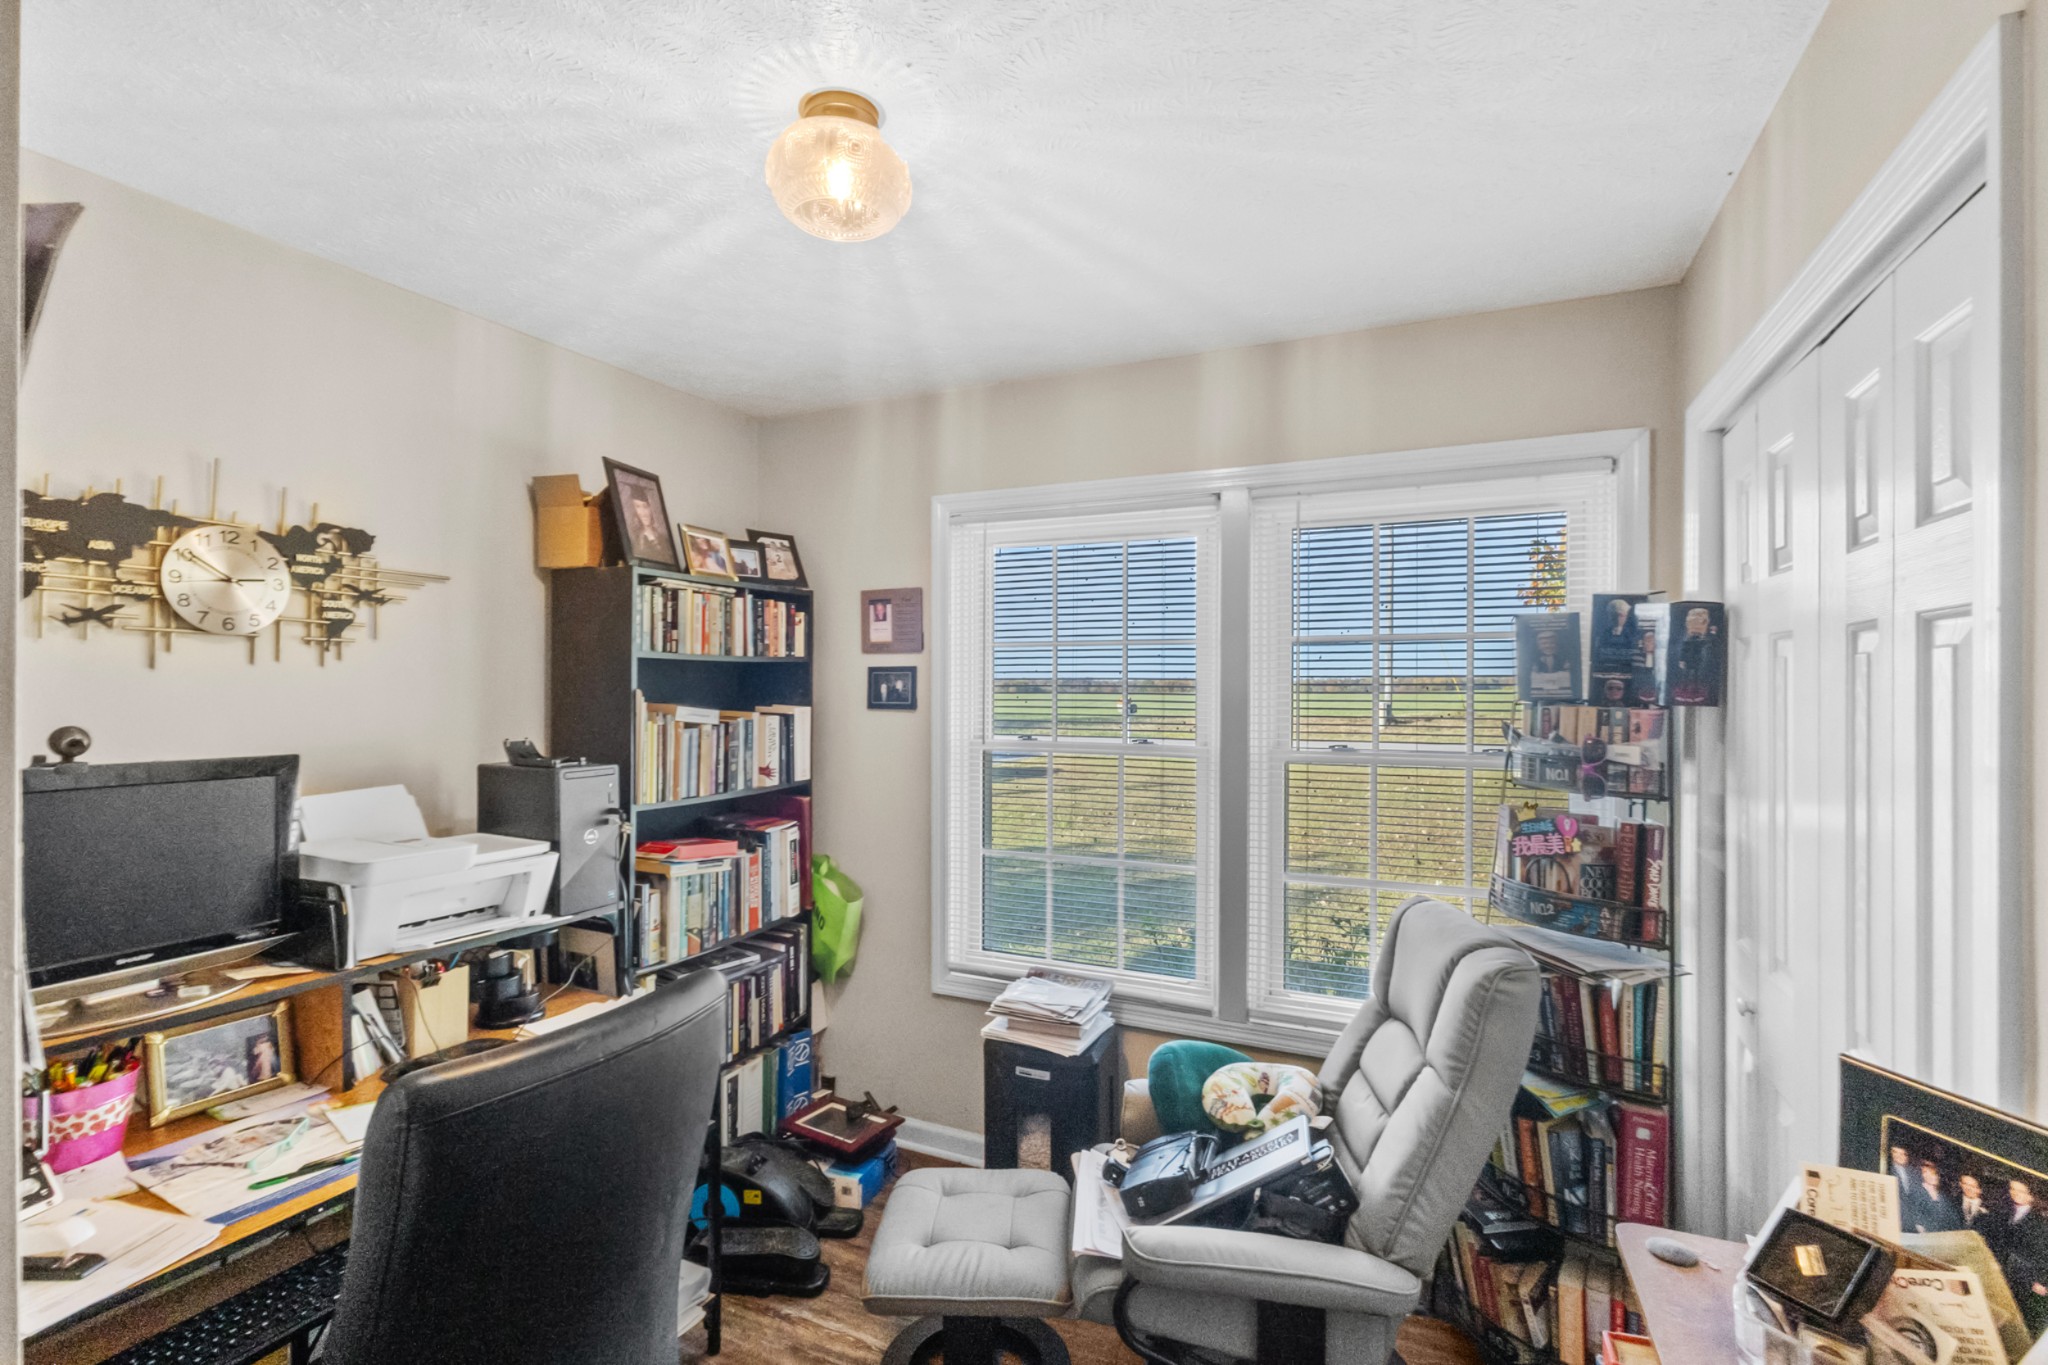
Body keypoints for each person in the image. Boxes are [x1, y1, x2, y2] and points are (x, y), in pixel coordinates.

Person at [2004, 1177, 2048, 1338]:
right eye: (2012, 1189)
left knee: (2024, 1319)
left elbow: (2044, 1253)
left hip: (2027, 1278)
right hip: (2009, 1273)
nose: (2015, 1193)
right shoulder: (2007, 1213)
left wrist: (2041, 1281)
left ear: (2031, 1196)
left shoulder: (2039, 1222)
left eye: (2020, 1190)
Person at [1906, 1161, 1962, 1233]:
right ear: (1923, 1175)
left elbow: (1952, 1218)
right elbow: (1916, 1218)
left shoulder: (1943, 1196)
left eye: (1935, 1174)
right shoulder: (1916, 1192)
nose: (1934, 1177)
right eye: (1927, 1173)